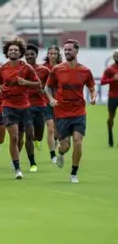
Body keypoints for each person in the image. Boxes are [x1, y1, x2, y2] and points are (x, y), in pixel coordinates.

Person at [45, 39, 96, 183]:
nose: (67, 52)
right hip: (61, 112)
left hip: (79, 112)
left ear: (77, 51)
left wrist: (93, 96)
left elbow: (92, 87)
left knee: (78, 142)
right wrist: (51, 99)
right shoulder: (57, 69)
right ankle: (60, 152)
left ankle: (74, 173)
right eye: (65, 50)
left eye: (70, 50)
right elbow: (47, 87)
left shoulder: (85, 71)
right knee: (65, 146)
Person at [0, 38, 40, 179]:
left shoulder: (27, 68)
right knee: (14, 137)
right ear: (7, 52)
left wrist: (25, 82)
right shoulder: (2, 69)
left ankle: (22, 160)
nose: (13, 52)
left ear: (20, 52)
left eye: (16, 50)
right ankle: (17, 169)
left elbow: (38, 84)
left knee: (23, 137)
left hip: (25, 107)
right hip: (9, 106)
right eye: (11, 50)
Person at [23, 44, 51, 172]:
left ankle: (37, 139)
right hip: (25, 105)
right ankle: (32, 163)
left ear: (36, 55)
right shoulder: (21, 69)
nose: (29, 56)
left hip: (40, 104)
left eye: (32, 54)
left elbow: (50, 85)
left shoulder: (44, 70)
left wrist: (48, 94)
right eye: (27, 54)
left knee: (38, 134)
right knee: (28, 134)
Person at [43, 45, 62, 153]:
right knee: (50, 128)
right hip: (46, 102)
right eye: (51, 53)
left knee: (57, 129)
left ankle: (56, 139)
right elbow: (40, 83)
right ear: (47, 54)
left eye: (55, 53)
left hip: (59, 101)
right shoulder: (43, 68)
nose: (53, 55)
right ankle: (52, 154)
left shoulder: (62, 67)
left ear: (58, 55)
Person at [100, 49, 118, 147]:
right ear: (114, 57)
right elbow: (102, 82)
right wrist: (113, 79)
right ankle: (110, 137)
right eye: (116, 56)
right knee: (111, 117)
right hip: (113, 96)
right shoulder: (110, 69)